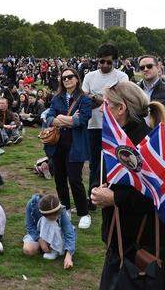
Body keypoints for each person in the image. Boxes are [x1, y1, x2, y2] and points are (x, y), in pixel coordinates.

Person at [90, 80, 165, 289]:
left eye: (107, 103)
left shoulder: (151, 144)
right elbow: (105, 176)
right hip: (119, 238)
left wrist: (115, 198)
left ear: (121, 109)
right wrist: (96, 188)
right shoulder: (115, 137)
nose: (102, 108)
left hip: (142, 241)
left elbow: (160, 195)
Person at [44, 68, 93, 229]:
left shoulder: (84, 99)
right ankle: (65, 209)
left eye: (70, 77)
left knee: (74, 179)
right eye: (64, 78)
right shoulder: (57, 98)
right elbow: (50, 118)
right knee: (59, 179)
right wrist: (68, 119)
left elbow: (82, 121)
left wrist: (62, 118)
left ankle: (83, 213)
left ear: (76, 79)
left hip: (75, 144)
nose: (67, 80)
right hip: (57, 145)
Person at [82, 43, 129, 209]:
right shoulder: (89, 76)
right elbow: (84, 99)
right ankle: (93, 198)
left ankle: (111, 196)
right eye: (102, 61)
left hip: (115, 127)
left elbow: (122, 101)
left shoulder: (122, 77)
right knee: (94, 163)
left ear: (114, 61)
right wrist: (104, 99)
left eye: (109, 62)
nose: (105, 65)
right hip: (93, 125)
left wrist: (98, 99)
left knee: (113, 162)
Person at [23, 193, 75, 269]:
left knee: (51, 223)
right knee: (28, 250)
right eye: (51, 217)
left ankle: (55, 248)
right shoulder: (32, 205)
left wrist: (69, 256)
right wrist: (40, 239)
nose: (55, 217)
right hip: (39, 232)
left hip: (59, 233)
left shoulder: (61, 209)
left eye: (56, 216)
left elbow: (69, 232)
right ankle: (47, 245)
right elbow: (30, 226)